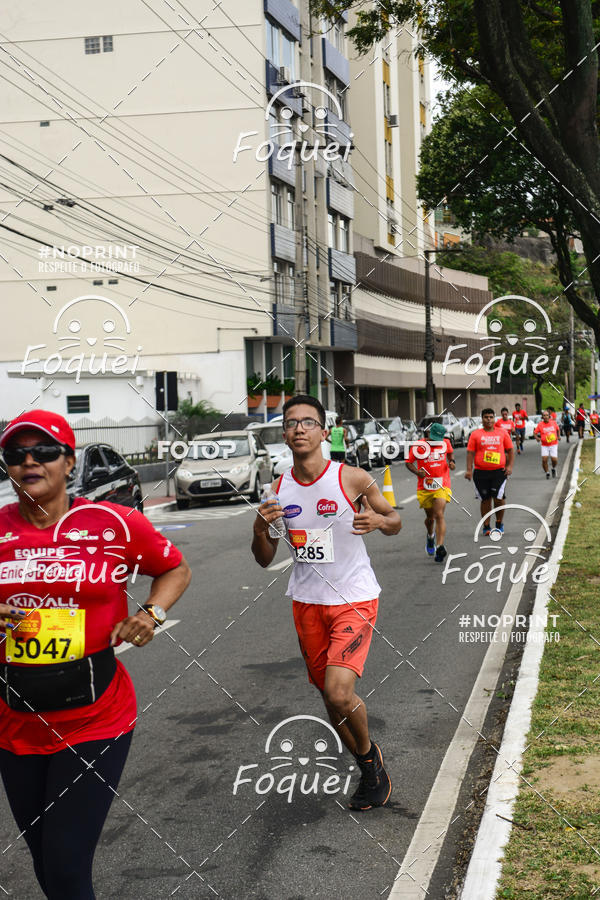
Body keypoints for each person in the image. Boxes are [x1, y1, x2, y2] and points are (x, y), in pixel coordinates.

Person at [0, 410, 191, 899]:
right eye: (15, 454)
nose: (28, 462)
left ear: (68, 462)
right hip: (13, 721)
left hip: (94, 718)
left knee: (65, 864)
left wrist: (151, 614)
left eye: (42, 452)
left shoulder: (115, 523)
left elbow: (174, 569)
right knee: (46, 858)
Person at [251, 395, 402, 811]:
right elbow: (264, 558)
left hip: (353, 596)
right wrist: (261, 529)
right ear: (284, 434)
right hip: (306, 602)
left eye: (307, 422)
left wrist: (377, 521)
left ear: (323, 432)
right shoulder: (277, 488)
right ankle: (368, 768)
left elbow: (395, 520)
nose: (299, 429)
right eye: (291, 423)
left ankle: (370, 759)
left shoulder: (351, 478)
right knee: (326, 695)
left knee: (339, 693)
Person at [405, 421, 454, 563]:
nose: (436, 442)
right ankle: (430, 535)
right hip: (425, 486)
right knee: (430, 518)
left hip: (442, 484)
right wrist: (417, 472)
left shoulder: (445, 443)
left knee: (439, 514)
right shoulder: (419, 446)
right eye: (433, 439)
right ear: (428, 434)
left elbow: (450, 455)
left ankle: (440, 546)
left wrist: (452, 462)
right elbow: (408, 462)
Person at [465, 408, 514, 536]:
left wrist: (509, 467)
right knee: (485, 499)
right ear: (482, 419)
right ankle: (486, 526)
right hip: (481, 473)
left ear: (494, 418)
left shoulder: (502, 433)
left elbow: (510, 450)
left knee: (498, 498)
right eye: (486, 417)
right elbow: (470, 453)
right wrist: (469, 470)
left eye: (491, 417)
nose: (489, 419)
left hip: (499, 472)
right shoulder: (475, 434)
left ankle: (499, 523)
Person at [534, 409, 561, 478]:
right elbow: (535, 432)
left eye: (547, 415)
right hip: (544, 445)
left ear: (549, 416)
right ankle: (547, 472)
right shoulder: (540, 425)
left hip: (553, 444)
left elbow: (558, 429)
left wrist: (558, 436)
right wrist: (537, 438)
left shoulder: (553, 423)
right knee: (544, 460)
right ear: (542, 417)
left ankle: (553, 468)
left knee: (554, 460)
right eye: (544, 416)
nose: (545, 417)